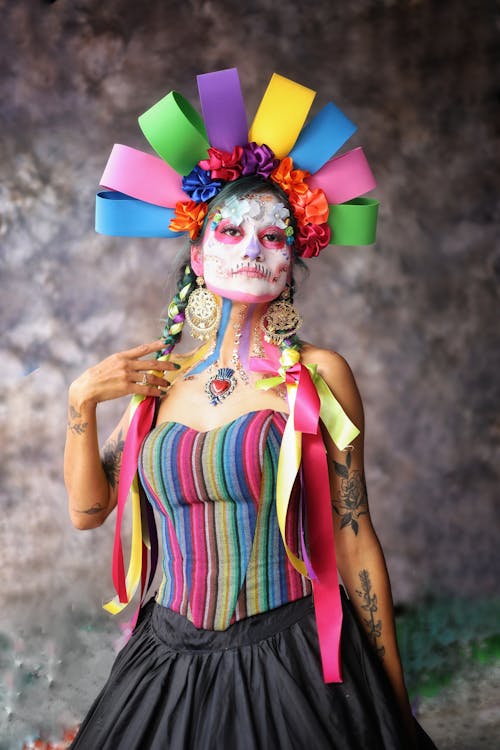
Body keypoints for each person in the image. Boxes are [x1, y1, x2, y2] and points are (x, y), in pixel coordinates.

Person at [64, 69, 438, 749]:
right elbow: (89, 514)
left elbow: (354, 536)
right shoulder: (161, 382)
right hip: (165, 659)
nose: (251, 249)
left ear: (294, 260)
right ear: (197, 256)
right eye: (230, 231)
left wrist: (391, 703)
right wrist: (80, 403)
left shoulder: (319, 376)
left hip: (289, 654)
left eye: (272, 237)